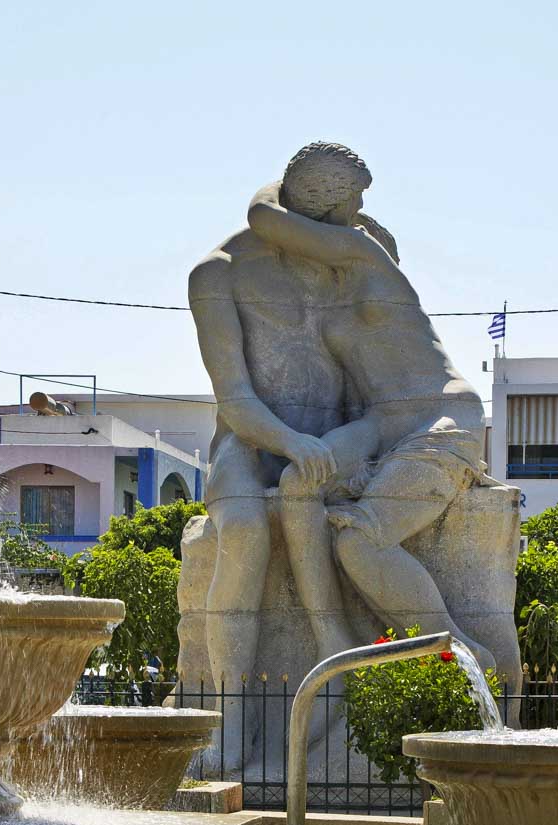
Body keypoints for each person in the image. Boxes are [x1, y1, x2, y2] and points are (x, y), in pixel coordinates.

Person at [247, 154, 495, 668]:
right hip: (383, 424)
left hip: (439, 415)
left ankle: (464, 659)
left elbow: (262, 218)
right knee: (299, 480)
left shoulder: (366, 256)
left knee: (359, 542)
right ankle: (331, 638)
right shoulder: (329, 302)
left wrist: (287, 188)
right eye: (354, 199)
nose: (360, 209)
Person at [187, 144, 373, 765]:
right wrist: (291, 443)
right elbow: (235, 398)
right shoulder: (217, 273)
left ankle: (336, 664)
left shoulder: (352, 258)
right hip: (250, 440)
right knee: (240, 527)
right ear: (319, 210)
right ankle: (232, 718)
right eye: (352, 206)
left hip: (339, 437)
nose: (361, 218)